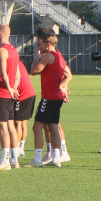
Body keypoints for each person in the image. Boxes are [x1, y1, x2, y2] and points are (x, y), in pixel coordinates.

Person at [29, 28, 71, 167]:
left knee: (37, 127)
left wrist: (36, 57)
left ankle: (37, 159)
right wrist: (62, 86)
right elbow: (68, 75)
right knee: (53, 127)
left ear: (48, 44)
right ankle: (56, 159)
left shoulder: (48, 56)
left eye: (41, 44)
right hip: (56, 97)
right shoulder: (59, 56)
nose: (39, 46)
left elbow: (34, 71)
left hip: (49, 98)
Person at [0, 24, 20, 170]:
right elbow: (17, 74)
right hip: (9, 94)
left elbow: (3, 73)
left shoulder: (2, 50)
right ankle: (14, 159)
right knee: (10, 126)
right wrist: (14, 88)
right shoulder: (14, 50)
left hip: (2, 93)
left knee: (2, 127)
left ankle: (5, 161)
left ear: (1, 33)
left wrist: (9, 88)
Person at [14, 59, 37, 159]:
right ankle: (21, 148)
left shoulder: (13, 63)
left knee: (17, 122)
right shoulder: (19, 63)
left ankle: (16, 149)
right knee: (23, 122)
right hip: (30, 93)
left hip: (22, 95)